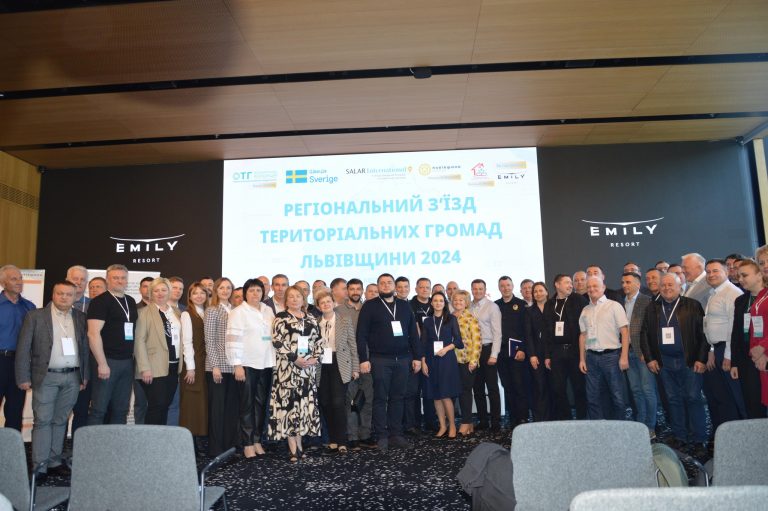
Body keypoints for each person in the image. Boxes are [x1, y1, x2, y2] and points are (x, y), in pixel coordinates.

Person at [15, 280, 88, 480]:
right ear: (53, 295)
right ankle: (39, 466)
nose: (64, 297)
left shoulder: (80, 317)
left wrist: (84, 376)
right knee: (43, 421)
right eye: (60, 293)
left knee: (60, 420)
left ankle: (54, 462)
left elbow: (84, 349)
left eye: (68, 294)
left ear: (74, 297)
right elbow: (23, 348)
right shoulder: (35, 316)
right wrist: (23, 376)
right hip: (45, 377)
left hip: (72, 377)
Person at [641, 273, 708, 456]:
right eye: (663, 285)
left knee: (693, 398)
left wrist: (701, 359)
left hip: (689, 361)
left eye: (671, 285)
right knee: (673, 400)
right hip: (664, 363)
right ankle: (680, 436)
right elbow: (644, 335)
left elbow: (703, 334)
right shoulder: (652, 308)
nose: (667, 288)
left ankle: (699, 439)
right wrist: (650, 358)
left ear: (680, 287)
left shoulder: (692, 305)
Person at [356, 273, 422, 451]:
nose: (386, 286)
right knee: (380, 398)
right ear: (378, 286)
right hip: (380, 360)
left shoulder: (404, 305)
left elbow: (413, 334)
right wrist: (363, 359)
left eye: (389, 283)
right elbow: (361, 335)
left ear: (394, 286)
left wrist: (417, 357)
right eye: (382, 283)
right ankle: (381, 435)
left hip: (403, 359)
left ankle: (396, 434)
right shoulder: (370, 306)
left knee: (398, 397)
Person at [269, 285, 324, 462]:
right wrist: (294, 358)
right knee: (290, 408)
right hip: (288, 370)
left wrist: (315, 358)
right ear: (286, 300)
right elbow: (277, 341)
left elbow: (319, 341)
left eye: (298, 296)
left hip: (307, 370)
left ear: (303, 299)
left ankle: (300, 445)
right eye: (291, 297)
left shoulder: (311, 318)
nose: (294, 299)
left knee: (302, 408)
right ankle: (292, 447)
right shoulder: (281, 318)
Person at [226, 278, 275, 458]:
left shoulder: (268, 310)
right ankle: (247, 443)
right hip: (246, 364)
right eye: (251, 290)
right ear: (245, 293)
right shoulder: (238, 312)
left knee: (261, 404)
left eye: (258, 290)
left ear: (263, 293)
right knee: (246, 405)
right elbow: (232, 340)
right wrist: (237, 364)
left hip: (266, 363)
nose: (255, 294)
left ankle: (256, 440)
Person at [87, 264, 138, 425]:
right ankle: (93, 442)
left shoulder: (130, 301)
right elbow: (93, 334)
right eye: (115, 278)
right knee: (99, 409)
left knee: (121, 410)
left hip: (127, 362)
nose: (120, 281)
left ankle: (117, 441)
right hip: (107, 361)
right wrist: (102, 363)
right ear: (107, 280)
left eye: (123, 278)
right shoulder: (100, 302)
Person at [701, 259, 746, 433]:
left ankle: (744, 436)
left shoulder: (732, 292)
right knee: (724, 397)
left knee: (737, 397)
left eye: (715, 271)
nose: (711, 274)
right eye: (708, 272)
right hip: (718, 350)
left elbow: (733, 327)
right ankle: (730, 437)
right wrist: (712, 350)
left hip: (728, 352)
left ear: (726, 272)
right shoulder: (714, 293)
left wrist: (728, 355)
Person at [134, 277, 185, 425]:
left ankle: (160, 438)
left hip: (173, 366)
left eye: (164, 290)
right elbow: (139, 341)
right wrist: (144, 368)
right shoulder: (143, 313)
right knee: (156, 406)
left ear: (169, 292)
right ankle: (151, 438)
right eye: (156, 290)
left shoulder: (177, 312)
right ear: (151, 293)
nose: (160, 293)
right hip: (153, 367)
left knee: (165, 406)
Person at [578, 276, 630, 420]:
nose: (591, 289)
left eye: (595, 286)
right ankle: (598, 428)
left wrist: (624, 357)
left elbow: (625, 332)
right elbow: (583, 336)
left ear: (603, 287)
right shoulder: (585, 310)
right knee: (592, 397)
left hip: (611, 357)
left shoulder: (614, 306)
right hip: (591, 358)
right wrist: (582, 359)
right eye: (589, 287)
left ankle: (619, 427)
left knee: (617, 396)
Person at [316, 288, 358, 455]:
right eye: (322, 302)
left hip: (340, 364)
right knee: (325, 402)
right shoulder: (315, 323)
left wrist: (356, 367)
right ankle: (332, 440)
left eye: (328, 301)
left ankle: (342, 441)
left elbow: (352, 345)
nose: (326, 304)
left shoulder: (344, 320)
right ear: (318, 306)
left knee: (338, 403)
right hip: (321, 365)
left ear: (333, 303)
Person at [543, 274, 588, 420]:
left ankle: (582, 419)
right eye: (567, 282)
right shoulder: (550, 304)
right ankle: (566, 419)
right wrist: (547, 355)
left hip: (575, 351)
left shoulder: (579, 300)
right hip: (556, 352)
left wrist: (584, 354)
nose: (571, 285)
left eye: (570, 283)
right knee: (558, 388)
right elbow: (546, 331)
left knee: (579, 388)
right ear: (557, 285)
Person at [337, 279, 374, 451]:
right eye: (352, 289)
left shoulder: (369, 308)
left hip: (368, 361)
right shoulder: (338, 311)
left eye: (358, 289)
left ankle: (365, 434)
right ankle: (352, 437)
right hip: (348, 363)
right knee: (351, 401)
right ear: (347, 291)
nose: (355, 292)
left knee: (367, 399)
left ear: (362, 290)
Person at [421, 291, 463, 438]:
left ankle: (452, 425)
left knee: (445, 395)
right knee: (436, 396)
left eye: (441, 300)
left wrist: (446, 349)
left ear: (445, 303)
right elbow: (423, 343)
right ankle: (443, 426)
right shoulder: (427, 321)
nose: (438, 303)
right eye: (435, 300)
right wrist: (423, 362)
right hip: (431, 360)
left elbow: (458, 341)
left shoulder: (451, 319)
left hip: (447, 359)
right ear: (431, 303)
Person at [204, 277, 238, 456]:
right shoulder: (212, 310)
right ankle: (216, 450)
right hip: (217, 368)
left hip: (233, 367)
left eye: (228, 288)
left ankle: (229, 449)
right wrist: (215, 366)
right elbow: (209, 340)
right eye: (222, 288)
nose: (225, 291)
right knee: (217, 411)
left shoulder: (234, 309)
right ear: (215, 290)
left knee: (231, 410)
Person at [0, 264, 36, 431]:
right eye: (14, 279)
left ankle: (12, 446)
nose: (19, 282)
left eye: (20, 278)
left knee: (15, 410)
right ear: (3, 283)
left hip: (20, 364)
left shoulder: (30, 307)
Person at [730, 259, 767, 418]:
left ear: (759, 275)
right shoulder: (740, 300)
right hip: (746, 358)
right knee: (751, 403)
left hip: (764, 354)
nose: (740, 279)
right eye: (739, 276)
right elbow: (736, 333)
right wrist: (735, 362)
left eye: (744, 275)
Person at [621, 272, 656, 436]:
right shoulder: (622, 302)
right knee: (635, 390)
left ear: (637, 284)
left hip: (643, 353)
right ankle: (641, 425)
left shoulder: (646, 301)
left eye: (628, 282)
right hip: (627, 352)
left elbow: (651, 330)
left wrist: (647, 353)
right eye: (623, 282)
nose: (624, 285)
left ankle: (651, 426)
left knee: (647, 390)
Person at [495, 276, 529, 428]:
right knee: (507, 385)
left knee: (519, 385)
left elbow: (526, 330)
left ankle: (522, 417)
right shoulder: (496, 305)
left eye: (508, 285)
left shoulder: (521, 305)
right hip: (501, 352)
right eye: (502, 286)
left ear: (513, 286)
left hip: (517, 351)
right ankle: (512, 416)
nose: (505, 288)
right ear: (499, 288)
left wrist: (522, 349)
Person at [179, 282, 209, 450]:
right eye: (195, 293)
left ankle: (200, 439)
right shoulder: (187, 314)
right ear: (189, 296)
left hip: (205, 362)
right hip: (193, 363)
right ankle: (190, 442)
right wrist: (190, 367)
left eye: (202, 293)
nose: (199, 296)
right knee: (191, 403)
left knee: (202, 402)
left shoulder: (207, 312)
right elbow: (187, 342)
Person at [470, 279, 502, 431]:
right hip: (473, 352)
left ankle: (495, 421)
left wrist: (494, 354)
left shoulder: (492, 307)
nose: (477, 291)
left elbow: (497, 333)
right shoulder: (468, 306)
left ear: (485, 290)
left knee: (492, 388)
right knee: (477, 389)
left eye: (480, 289)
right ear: (471, 290)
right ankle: (483, 420)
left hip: (488, 350)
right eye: (475, 289)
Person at [452, 290, 481, 436]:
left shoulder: (471, 318)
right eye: (455, 300)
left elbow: (477, 341)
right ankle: (468, 424)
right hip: (450, 361)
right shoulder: (448, 317)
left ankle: (466, 421)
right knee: (455, 392)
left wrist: (474, 360)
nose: (458, 302)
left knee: (465, 392)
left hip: (467, 361)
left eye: (461, 300)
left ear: (466, 302)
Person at [406, 277, 432, 434]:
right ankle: (413, 424)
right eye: (421, 287)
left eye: (427, 287)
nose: (424, 290)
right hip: (414, 353)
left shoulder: (436, 303)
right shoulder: (410, 306)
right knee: (413, 391)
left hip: (433, 354)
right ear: (416, 289)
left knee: (430, 390)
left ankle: (430, 422)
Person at [524, 282, 551, 421]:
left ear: (547, 292)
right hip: (537, 354)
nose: (538, 293)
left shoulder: (554, 308)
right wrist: (532, 355)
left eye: (541, 290)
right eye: (535, 291)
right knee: (539, 387)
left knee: (554, 387)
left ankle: (554, 418)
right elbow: (528, 335)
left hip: (553, 353)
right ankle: (540, 419)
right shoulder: (529, 311)